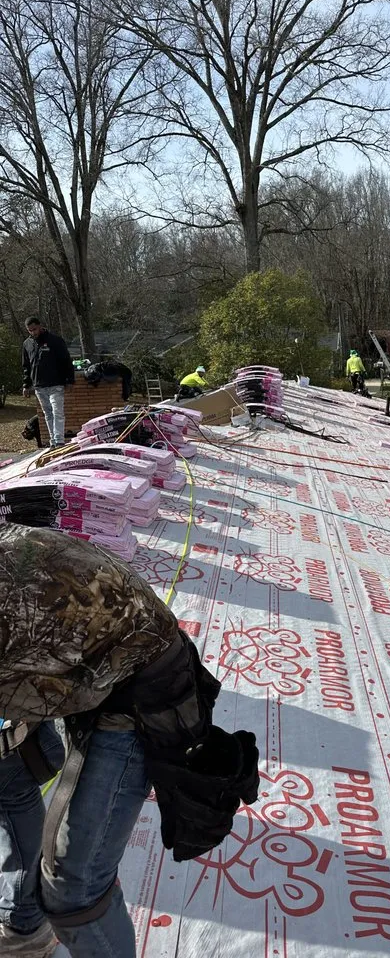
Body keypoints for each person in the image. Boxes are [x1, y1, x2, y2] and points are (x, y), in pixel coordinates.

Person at [0, 524, 259, 957]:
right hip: (83, 655)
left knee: (74, 886)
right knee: (6, 775)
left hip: (138, 685)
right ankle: (26, 927)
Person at [21, 318, 75, 449]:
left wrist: (69, 380)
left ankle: (59, 440)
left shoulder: (54, 341)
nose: (33, 332)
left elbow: (66, 361)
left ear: (40, 326)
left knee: (57, 412)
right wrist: (26, 385)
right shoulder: (27, 344)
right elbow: (26, 366)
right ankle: (53, 440)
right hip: (39, 385)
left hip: (56, 384)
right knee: (48, 414)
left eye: (34, 329)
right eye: (30, 330)